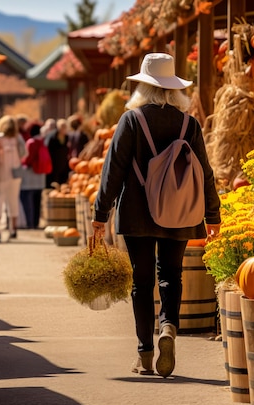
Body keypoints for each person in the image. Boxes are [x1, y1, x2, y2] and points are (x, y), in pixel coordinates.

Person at [91, 53, 222, 378]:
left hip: (137, 211)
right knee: (171, 275)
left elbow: (113, 172)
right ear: (173, 88)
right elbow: (204, 173)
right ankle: (168, 327)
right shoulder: (188, 123)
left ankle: (145, 353)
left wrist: (100, 215)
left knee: (142, 280)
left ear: (143, 87)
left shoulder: (131, 121)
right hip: (180, 211)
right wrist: (212, 215)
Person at [0, 115, 26, 242]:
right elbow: (25, 154)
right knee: (13, 201)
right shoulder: (18, 138)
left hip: (1, 173)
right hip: (16, 173)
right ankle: (13, 229)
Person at [19, 121, 47, 229]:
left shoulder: (31, 142)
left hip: (30, 175)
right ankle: (36, 222)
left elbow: (28, 158)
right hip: (41, 175)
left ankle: (29, 223)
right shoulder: (43, 141)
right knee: (37, 201)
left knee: (28, 200)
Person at [45, 118, 70, 188]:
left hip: (63, 163)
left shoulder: (67, 137)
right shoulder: (52, 137)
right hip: (54, 163)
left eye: (65, 127)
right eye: (62, 127)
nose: (64, 129)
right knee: (53, 182)